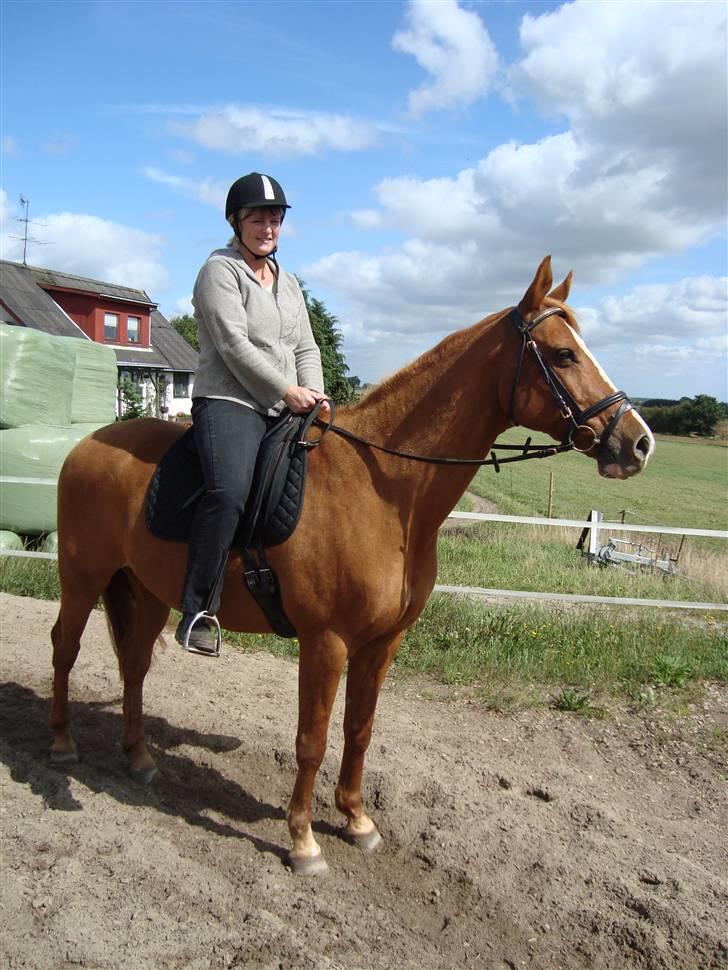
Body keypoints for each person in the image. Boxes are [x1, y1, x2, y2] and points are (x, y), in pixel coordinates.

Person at [176, 172, 329, 655]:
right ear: (236, 222)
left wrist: (318, 396)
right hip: (230, 401)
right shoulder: (219, 271)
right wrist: (286, 390)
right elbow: (233, 346)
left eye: (275, 218)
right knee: (229, 491)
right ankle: (198, 608)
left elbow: (307, 345)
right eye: (257, 217)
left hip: (287, 402)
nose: (268, 226)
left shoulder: (290, 282)